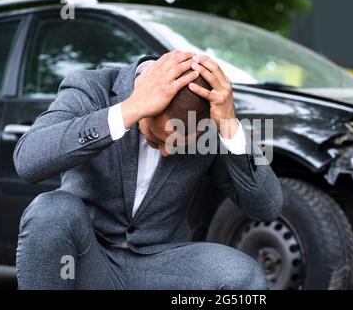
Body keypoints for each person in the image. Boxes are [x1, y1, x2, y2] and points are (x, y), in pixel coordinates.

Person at [14, 51, 283, 290]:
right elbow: (28, 160)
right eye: (156, 139)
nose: (166, 151)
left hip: (161, 265)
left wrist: (231, 128)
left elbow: (267, 207)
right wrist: (128, 110)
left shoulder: (210, 120)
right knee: (50, 211)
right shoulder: (91, 89)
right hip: (87, 258)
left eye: (177, 144)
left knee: (243, 277)